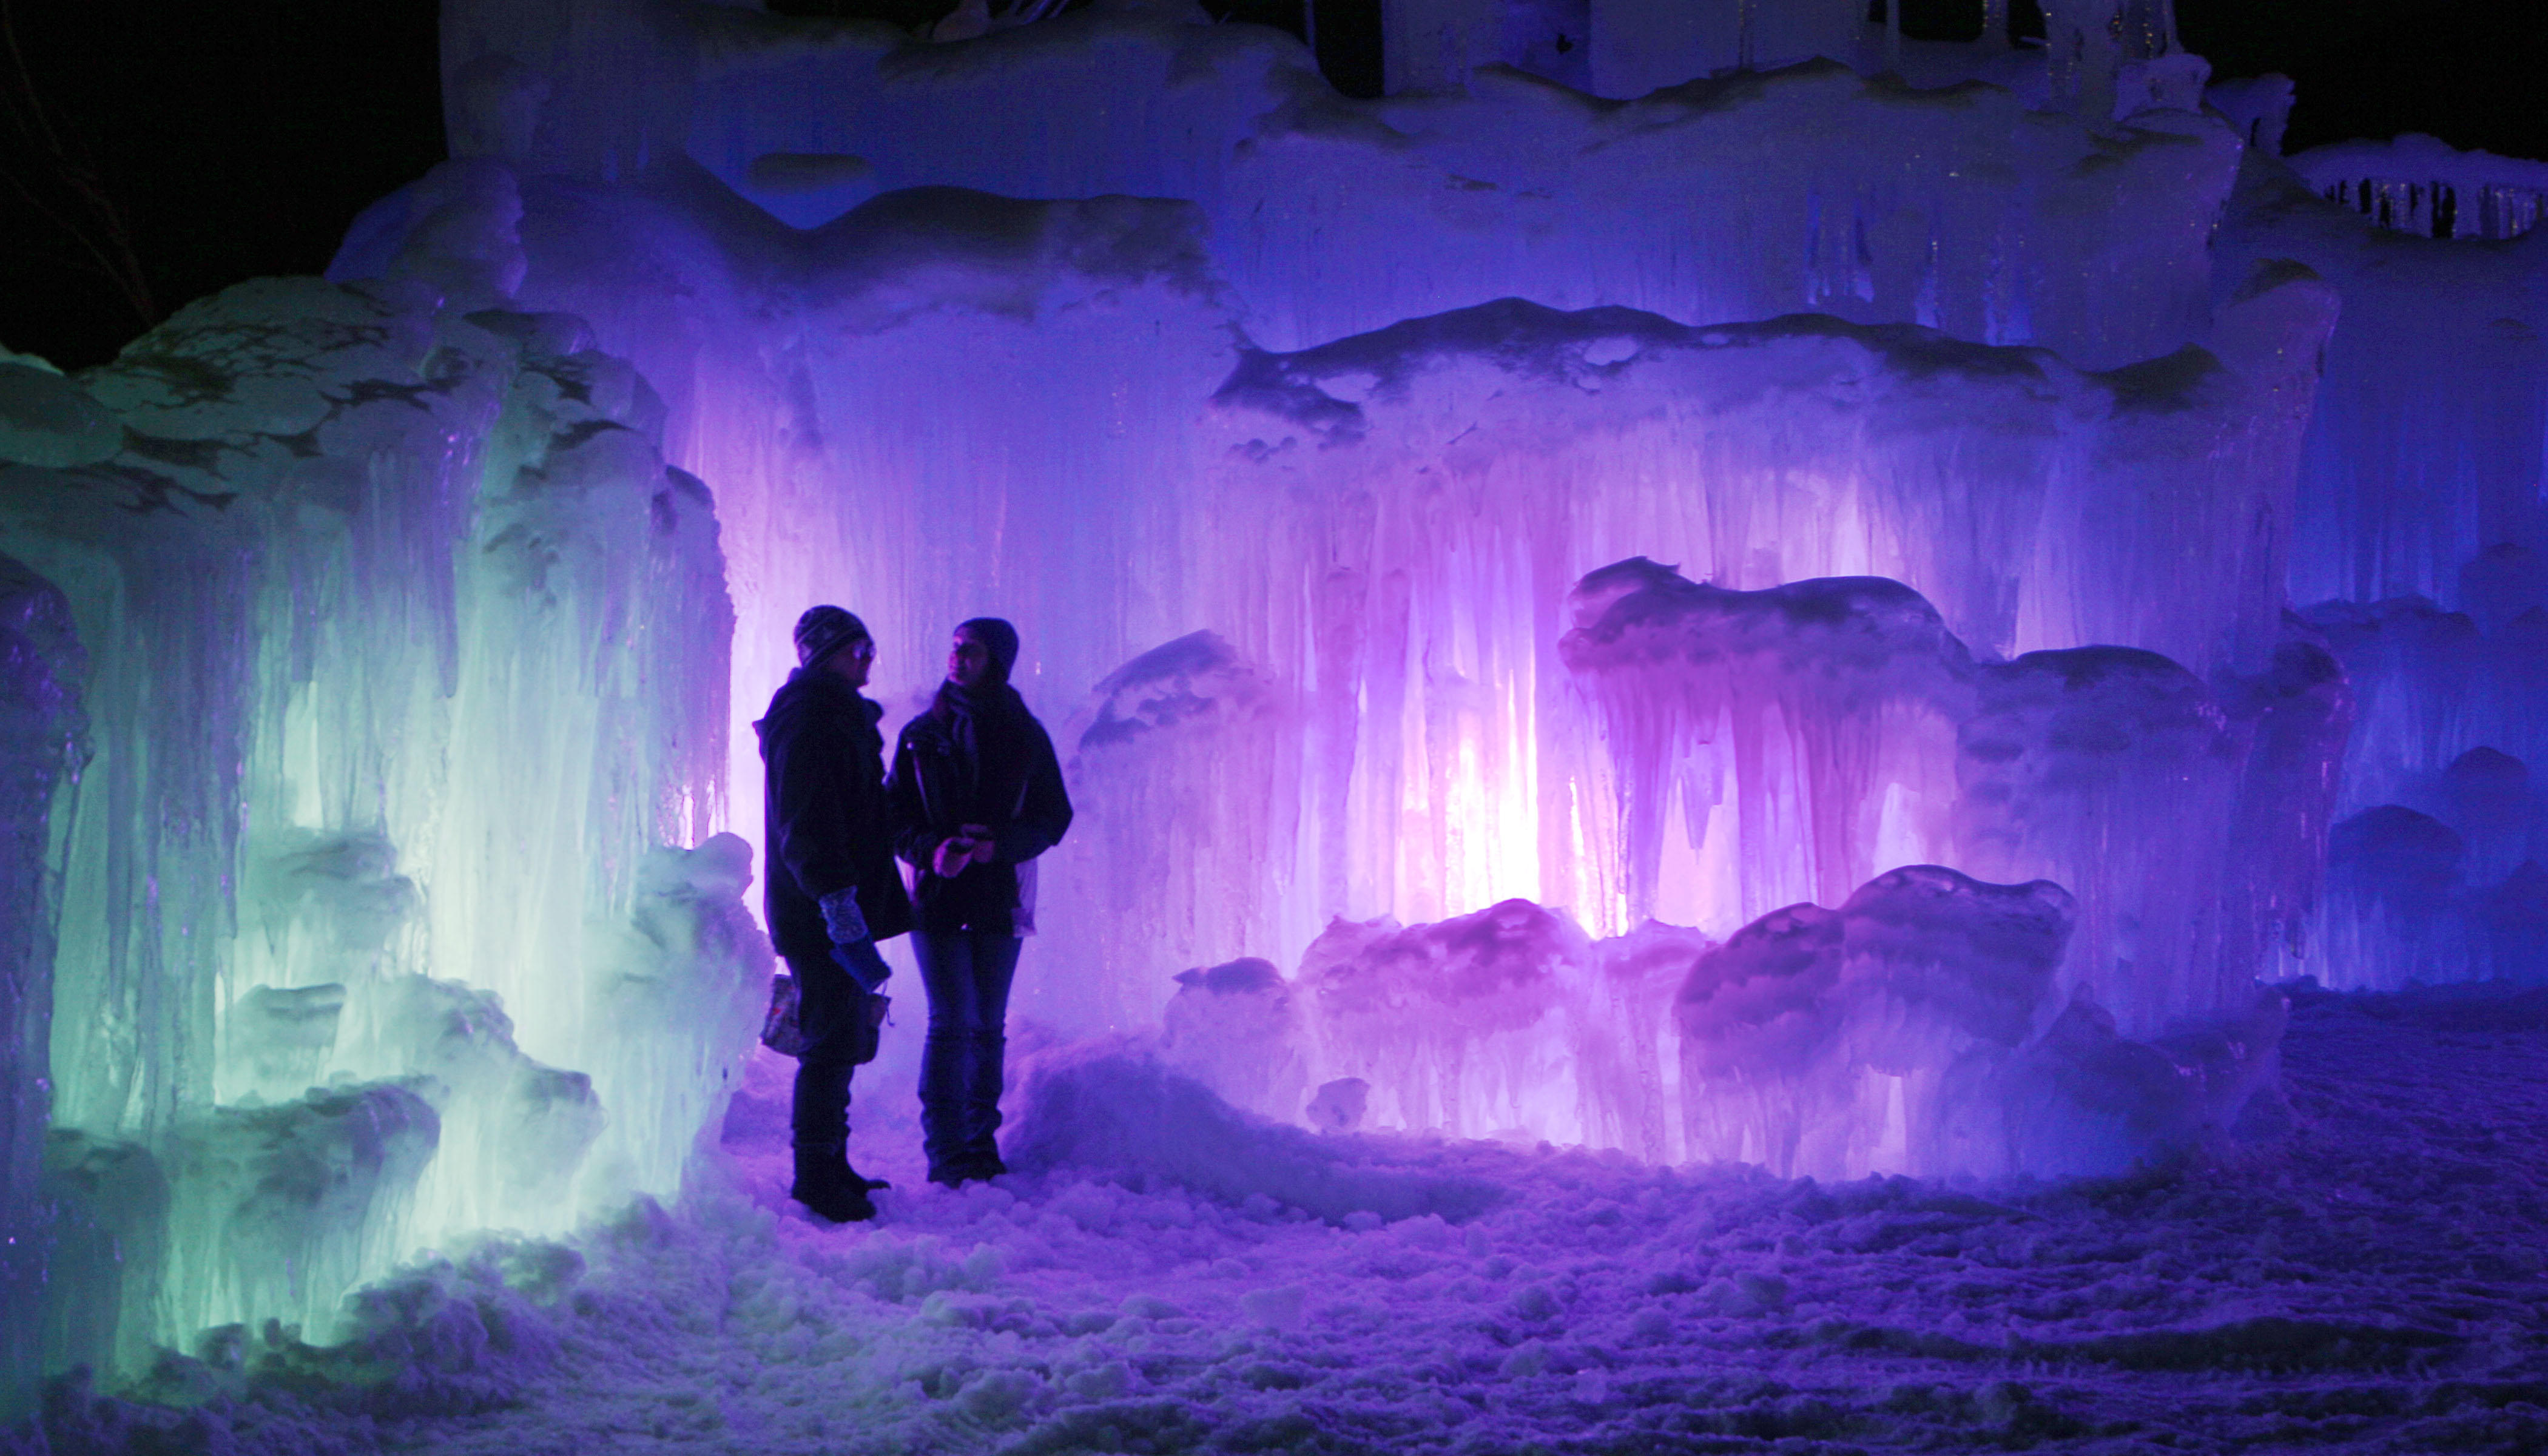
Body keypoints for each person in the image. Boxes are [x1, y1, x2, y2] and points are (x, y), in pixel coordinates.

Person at [888, 616, 1073, 1187]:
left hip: (999, 896)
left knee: (987, 1025)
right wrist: (931, 850)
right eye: (954, 648)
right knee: (952, 1022)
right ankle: (946, 1151)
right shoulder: (922, 735)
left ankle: (979, 1144)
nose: (957, 658)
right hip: (939, 895)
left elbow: (1054, 816)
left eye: (970, 650)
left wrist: (999, 847)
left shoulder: (1025, 735)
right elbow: (894, 818)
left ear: (996, 660)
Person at [755, 606, 912, 1222]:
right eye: (855, 649)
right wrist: (836, 899)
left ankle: (830, 1163)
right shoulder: (811, 716)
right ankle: (816, 1177)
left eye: (869, 647)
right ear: (823, 655)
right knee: (829, 1041)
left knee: (842, 1036)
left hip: (832, 903)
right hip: (821, 908)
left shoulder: (833, 713)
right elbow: (807, 820)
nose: (866, 658)